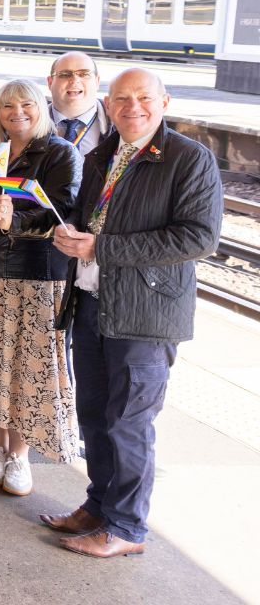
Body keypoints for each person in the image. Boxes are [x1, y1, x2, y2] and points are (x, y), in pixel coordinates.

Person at [46, 69, 222, 558]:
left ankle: (125, 527)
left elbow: (198, 238)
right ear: (109, 104)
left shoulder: (189, 158)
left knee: (128, 422)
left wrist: (101, 247)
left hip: (146, 313)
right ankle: (98, 506)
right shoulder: (103, 154)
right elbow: (91, 216)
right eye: (122, 99)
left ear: (165, 101)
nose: (133, 107)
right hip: (93, 302)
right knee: (95, 415)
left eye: (144, 97)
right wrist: (71, 232)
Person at [0, 78, 81, 497]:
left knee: (28, 369)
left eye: (26, 104)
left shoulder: (60, 153)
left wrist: (16, 223)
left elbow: (61, 210)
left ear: (41, 108)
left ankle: (20, 455)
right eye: (8, 106)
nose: (17, 113)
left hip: (37, 276)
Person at [46, 51, 109, 156]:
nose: (75, 80)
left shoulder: (120, 125)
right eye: (65, 74)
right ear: (50, 82)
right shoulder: (27, 123)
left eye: (84, 74)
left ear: (97, 81)